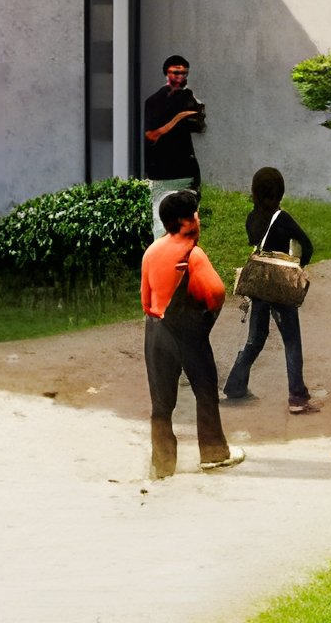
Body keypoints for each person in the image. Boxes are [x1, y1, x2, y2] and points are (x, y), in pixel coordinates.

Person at [139, 187, 242, 476]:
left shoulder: (151, 252)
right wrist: (205, 320)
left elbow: (145, 300)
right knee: (205, 390)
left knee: (161, 403)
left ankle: (162, 464)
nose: (198, 218)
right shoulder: (192, 254)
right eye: (195, 214)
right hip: (187, 330)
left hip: (155, 330)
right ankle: (213, 452)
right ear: (187, 222)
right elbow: (216, 292)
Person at [222, 165, 317, 414]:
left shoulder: (252, 218)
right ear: (280, 192)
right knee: (292, 341)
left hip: (259, 288)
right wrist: (296, 268)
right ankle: (297, 397)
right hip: (280, 289)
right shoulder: (283, 218)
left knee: (255, 338)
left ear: (254, 191)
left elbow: (255, 243)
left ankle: (235, 385)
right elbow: (307, 246)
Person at [142, 55, 204, 198]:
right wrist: (176, 120)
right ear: (167, 73)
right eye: (176, 73)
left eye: (184, 73)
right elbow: (150, 136)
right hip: (162, 172)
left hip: (185, 169)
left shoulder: (187, 97)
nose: (180, 77)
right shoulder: (154, 101)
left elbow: (199, 127)